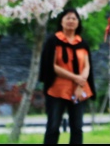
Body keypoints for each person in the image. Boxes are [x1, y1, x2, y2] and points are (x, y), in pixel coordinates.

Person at [39, 8, 96, 144]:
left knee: (77, 127)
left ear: (78, 22)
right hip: (57, 90)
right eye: (67, 18)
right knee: (53, 126)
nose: (71, 21)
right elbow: (51, 65)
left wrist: (80, 83)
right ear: (61, 21)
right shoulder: (54, 41)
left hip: (79, 90)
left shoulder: (82, 43)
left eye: (74, 18)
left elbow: (87, 65)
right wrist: (75, 77)